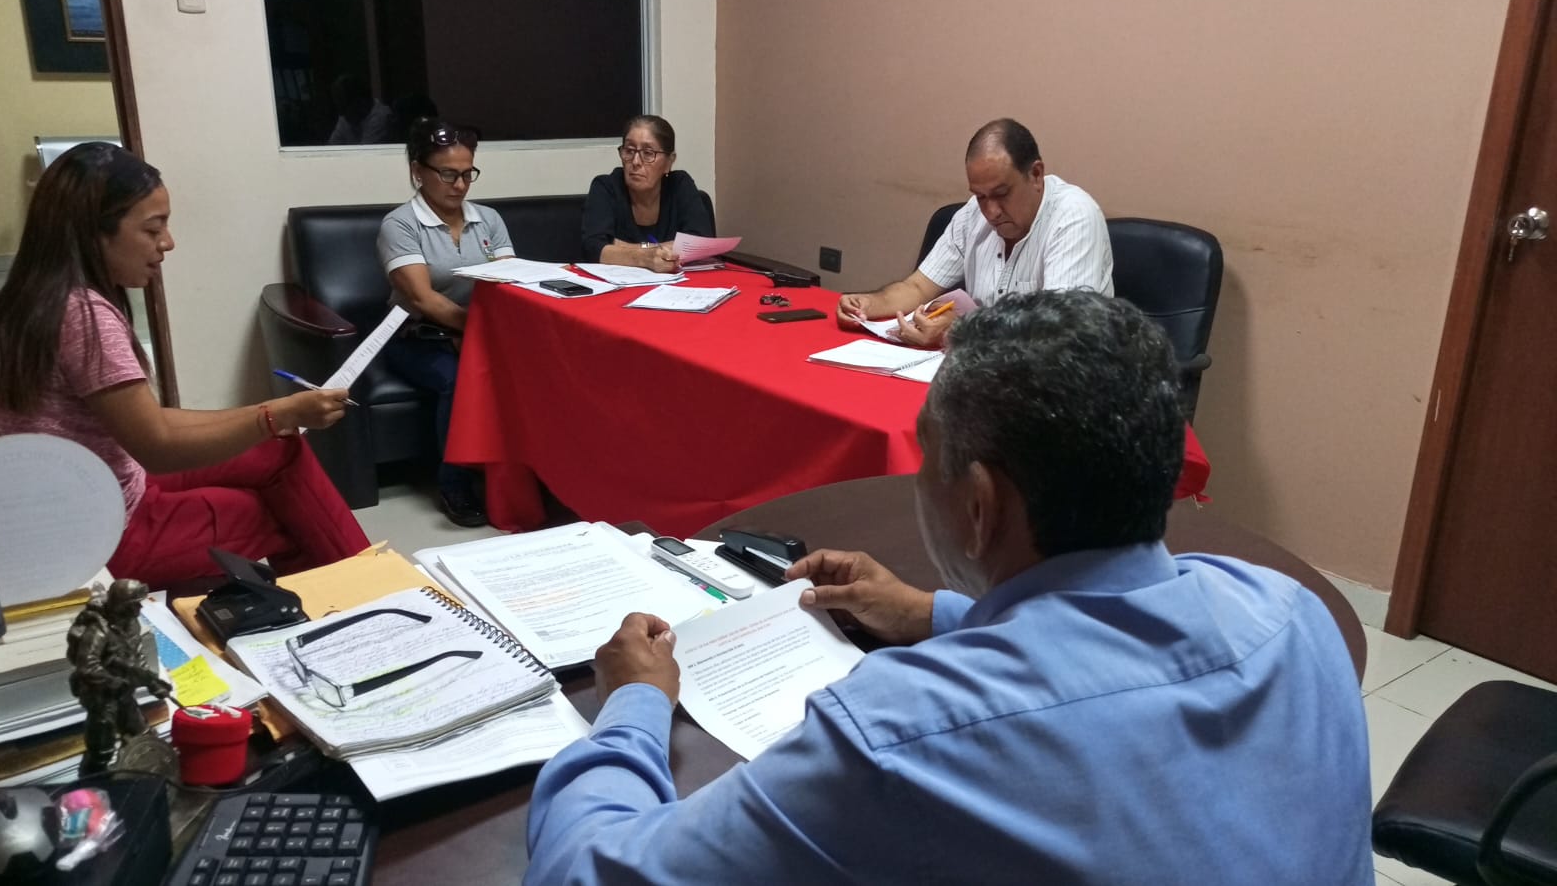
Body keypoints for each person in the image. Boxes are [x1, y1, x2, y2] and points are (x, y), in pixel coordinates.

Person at [525, 291, 1372, 885]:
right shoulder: (1288, 615)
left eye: (924, 455)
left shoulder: (901, 735)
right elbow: (1107, 641)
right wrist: (931, 613)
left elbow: (586, 873)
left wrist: (634, 704)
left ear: (978, 506)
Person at [0, 143, 369, 585]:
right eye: (152, 229)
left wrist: (277, 416)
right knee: (284, 515)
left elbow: (149, 423)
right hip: (100, 533)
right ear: (94, 232)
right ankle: (367, 595)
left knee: (278, 447)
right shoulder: (83, 315)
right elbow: (156, 447)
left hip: (82, 500)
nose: (168, 243)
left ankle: (368, 582)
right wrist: (276, 414)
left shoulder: (31, 296)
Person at [837, 118, 1114, 347]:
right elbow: (918, 287)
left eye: (1002, 194)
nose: (991, 212)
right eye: (981, 196)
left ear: (1036, 175)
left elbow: (1058, 334)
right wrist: (869, 304)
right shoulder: (972, 214)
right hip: (985, 370)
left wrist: (959, 331)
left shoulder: (1073, 216)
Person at [377, 119, 513, 527]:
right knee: (458, 379)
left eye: (467, 174)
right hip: (417, 337)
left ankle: (522, 475)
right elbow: (423, 297)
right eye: (448, 174)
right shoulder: (400, 225)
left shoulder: (488, 219)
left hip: (478, 331)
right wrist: (473, 332)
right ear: (418, 171)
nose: (460, 185)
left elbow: (509, 281)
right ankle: (455, 485)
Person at [580, 115, 714, 272]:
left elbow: (700, 244)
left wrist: (619, 248)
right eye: (629, 150)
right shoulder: (606, 187)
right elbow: (594, 248)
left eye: (648, 153)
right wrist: (646, 257)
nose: (635, 161)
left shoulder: (680, 185)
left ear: (669, 162)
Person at [67, 579, 172, 776]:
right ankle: (93, 782)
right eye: (135, 604)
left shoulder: (132, 625)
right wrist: (113, 681)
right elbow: (87, 666)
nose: (140, 607)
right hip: (101, 698)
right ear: (123, 606)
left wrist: (150, 681)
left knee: (141, 735)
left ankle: (146, 776)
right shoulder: (99, 630)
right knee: (102, 749)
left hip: (123, 692)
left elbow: (136, 656)